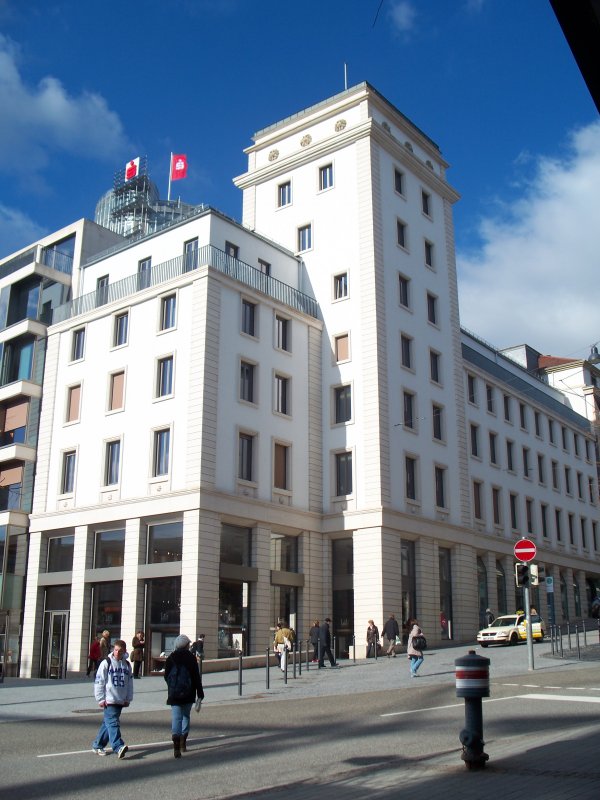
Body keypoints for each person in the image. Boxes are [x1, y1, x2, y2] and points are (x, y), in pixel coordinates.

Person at [92, 639, 133, 758]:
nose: (117, 653)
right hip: (109, 699)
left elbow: (129, 683)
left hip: (120, 698)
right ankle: (118, 746)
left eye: (120, 651)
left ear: (124, 651)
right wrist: (100, 698)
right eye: (115, 650)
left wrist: (128, 698)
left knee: (108, 723)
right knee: (113, 722)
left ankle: (97, 745)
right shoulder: (106, 662)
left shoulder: (127, 665)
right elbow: (99, 681)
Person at [164, 634, 204, 758]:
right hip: (188, 692)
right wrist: (200, 693)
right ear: (187, 645)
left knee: (176, 718)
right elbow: (196, 677)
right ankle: (183, 742)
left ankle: (176, 745)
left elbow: (166, 676)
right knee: (186, 716)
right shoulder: (191, 658)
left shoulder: (171, 658)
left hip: (174, 693)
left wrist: (172, 686)